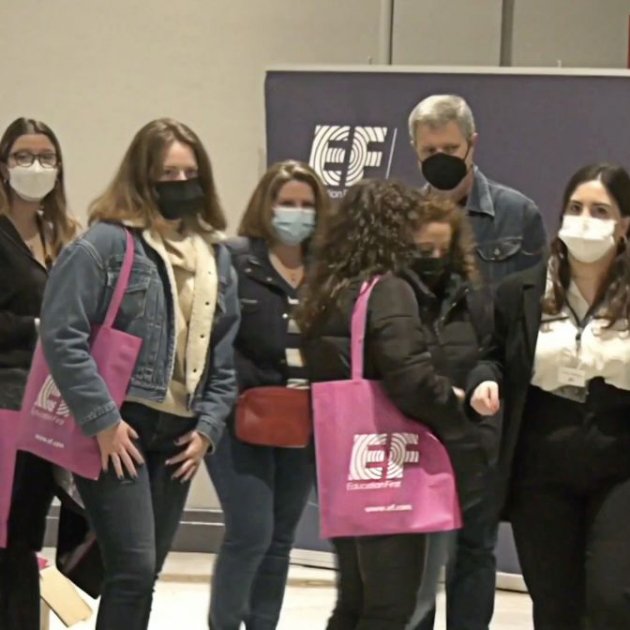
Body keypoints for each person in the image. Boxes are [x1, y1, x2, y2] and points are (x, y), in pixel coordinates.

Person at [38, 118, 240, 630]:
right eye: (168, 173)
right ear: (142, 175)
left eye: (190, 173)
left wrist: (209, 428)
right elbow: (62, 334)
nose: (181, 183)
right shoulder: (105, 244)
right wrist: (102, 419)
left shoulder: (216, 256)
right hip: (120, 426)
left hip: (180, 434)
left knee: (143, 573)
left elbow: (223, 356)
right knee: (132, 567)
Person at [298, 180, 488, 630]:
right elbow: (411, 378)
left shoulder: (327, 288)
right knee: (390, 607)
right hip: (388, 465)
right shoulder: (388, 290)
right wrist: (455, 405)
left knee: (354, 602)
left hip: (341, 462)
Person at [407, 94, 547, 630]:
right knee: (418, 550)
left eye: (450, 148)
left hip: (488, 407)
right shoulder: (404, 218)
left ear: (472, 145)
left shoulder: (518, 215)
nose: (440, 159)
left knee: (475, 545)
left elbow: (532, 313)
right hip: (419, 403)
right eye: (429, 151)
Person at [469, 162, 630, 630]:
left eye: (600, 211)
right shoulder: (520, 291)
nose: (584, 220)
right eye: (575, 208)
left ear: (624, 225)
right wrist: (484, 381)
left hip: (619, 461)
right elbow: (492, 356)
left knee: (612, 599)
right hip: (541, 462)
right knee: (555, 604)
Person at [205, 160, 330, 630]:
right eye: (287, 203)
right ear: (266, 205)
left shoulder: (327, 270)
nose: (297, 213)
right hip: (241, 419)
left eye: (306, 205)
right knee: (250, 532)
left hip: (304, 424)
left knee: (279, 540)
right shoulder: (234, 259)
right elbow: (215, 337)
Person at [0, 117, 79, 630]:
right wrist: (35, 327)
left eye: (46, 157)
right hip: (6, 401)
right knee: (9, 537)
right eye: (23, 156)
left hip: (54, 405)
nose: (35, 166)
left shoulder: (66, 236)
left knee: (31, 535)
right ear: (3, 167)